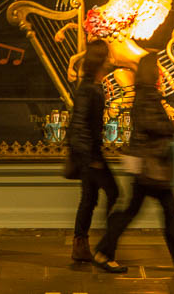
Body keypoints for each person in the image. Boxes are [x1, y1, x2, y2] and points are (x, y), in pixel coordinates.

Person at [93, 52, 174, 273]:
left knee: (160, 209)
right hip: (151, 166)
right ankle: (104, 251)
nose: (159, 71)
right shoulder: (148, 96)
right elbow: (150, 124)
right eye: (156, 68)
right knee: (152, 210)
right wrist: (171, 128)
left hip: (149, 164)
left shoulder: (144, 94)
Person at [67, 39, 119, 262]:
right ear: (101, 60)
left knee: (89, 198)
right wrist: (92, 158)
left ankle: (81, 245)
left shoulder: (90, 87)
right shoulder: (90, 90)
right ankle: (105, 244)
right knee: (114, 193)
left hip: (89, 153)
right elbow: (80, 126)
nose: (110, 59)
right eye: (107, 55)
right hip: (90, 155)